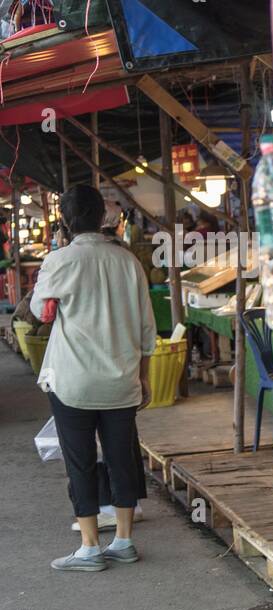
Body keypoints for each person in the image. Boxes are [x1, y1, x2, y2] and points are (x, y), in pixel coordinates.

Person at [31, 184, 156, 572]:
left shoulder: (60, 261)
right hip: (121, 381)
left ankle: (89, 547)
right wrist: (144, 378)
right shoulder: (128, 262)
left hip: (74, 383)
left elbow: (39, 311)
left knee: (80, 462)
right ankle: (124, 541)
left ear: (66, 221)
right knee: (122, 459)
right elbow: (146, 328)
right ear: (104, 217)